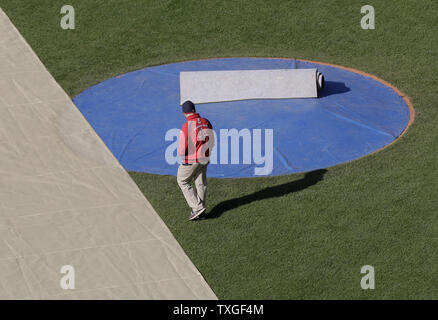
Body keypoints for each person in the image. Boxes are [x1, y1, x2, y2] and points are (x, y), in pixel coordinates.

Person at [177, 100, 214, 220]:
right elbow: (212, 138)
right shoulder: (206, 121)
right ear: (194, 110)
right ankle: (200, 211)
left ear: (184, 113)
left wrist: (182, 158)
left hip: (192, 159)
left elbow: (182, 148)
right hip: (205, 157)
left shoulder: (187, 126)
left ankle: (197, 208)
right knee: (200, 183)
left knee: (182, 180)